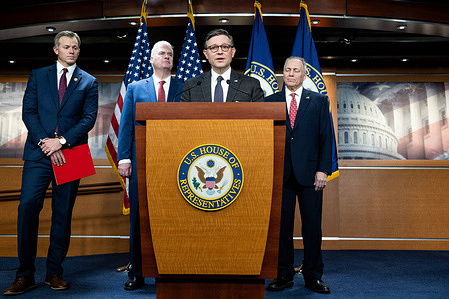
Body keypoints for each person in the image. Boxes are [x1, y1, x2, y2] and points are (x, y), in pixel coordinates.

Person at [4, 31, 98, 296]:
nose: (72, 50)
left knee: (62, 214)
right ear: (55, 49)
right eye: (67, 46)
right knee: (27, 208)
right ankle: (25, 275)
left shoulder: (89, 81)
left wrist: (62, 142)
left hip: (72, 154)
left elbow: (89, 118)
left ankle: (54, 272)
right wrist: (47, 142)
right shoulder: (38, 75)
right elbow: (28, 112)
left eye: (76, 47)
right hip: (38, 153)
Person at [117, 40, 183, 291]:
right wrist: (125, 158)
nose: (166, 57)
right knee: (139, 218)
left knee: (173, 216)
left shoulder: (183, 87)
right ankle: (138, 271)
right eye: (161, 53)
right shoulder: (135, 88)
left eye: (170, 53)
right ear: (152, 59)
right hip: (141, 162)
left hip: (176, 163)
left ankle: (170, 268)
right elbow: (125, 125)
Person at [265, 56, 333, 294]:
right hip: (280, 175)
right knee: (281, 228)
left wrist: (323, 170)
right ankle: (283, 274)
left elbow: (326, 138)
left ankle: (313, 276)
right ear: (282, 74)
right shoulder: (269, 102)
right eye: (287, 70)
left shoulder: (318, 101)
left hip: (311, 174)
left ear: (304, 75)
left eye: (296, 70)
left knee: (312, 227)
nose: (291, 74)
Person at [181, 28, 264, 102]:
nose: (220, 52)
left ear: (233, 52)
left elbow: (261, 116)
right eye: (213, 48)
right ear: (206, 54)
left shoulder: (251, 84)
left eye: (225, 47)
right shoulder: (191, 85)